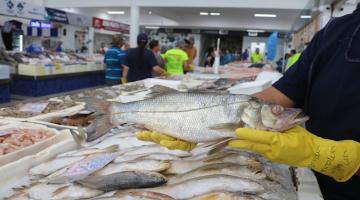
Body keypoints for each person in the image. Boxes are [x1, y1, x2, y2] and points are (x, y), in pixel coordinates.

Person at [135, 4, 360, 200]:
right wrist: (198, 119)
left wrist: (343, 158)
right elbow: (283, 92)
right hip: (322, 184)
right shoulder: (336, 30)